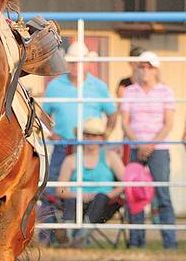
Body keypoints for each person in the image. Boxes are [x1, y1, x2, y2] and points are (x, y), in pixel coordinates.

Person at [122, 51, 177, 249]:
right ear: (137, 69)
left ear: (156, 70)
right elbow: (126, 123)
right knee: (134, 194)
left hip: (159, 148)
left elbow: (168, 124)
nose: (145, 70)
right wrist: (139, 144)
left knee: (162, 193)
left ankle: (170, 243)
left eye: (149, 67)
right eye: (142, 66)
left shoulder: (166, 91)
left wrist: (150, 145)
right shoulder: (130, 91)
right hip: (137, 147)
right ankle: (137, 242)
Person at [42, 41, 118, 183]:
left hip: (90, 144)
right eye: (73, 62)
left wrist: (104, 136)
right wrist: (52, 135)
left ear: (87, 64)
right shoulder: (54, 85)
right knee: (55, 184)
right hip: (63, 144)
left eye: (79, 62)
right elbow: (44, 114)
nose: (76, 66)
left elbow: (112, 114)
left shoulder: (98, 86)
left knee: (90, 183)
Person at [56, 118, 125, 245]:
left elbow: (125, 183)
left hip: (104, 204)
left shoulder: (111, 157)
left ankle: (78, 238)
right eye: (87, 135)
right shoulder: (71, 160)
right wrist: (79, 195)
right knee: (72, 201)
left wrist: (108, 195)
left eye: (95, 136)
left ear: (101, 138)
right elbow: (60, 189)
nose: (90, 139)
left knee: (100, 198)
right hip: (76, 202)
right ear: (81, 137)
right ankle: (69, 237)